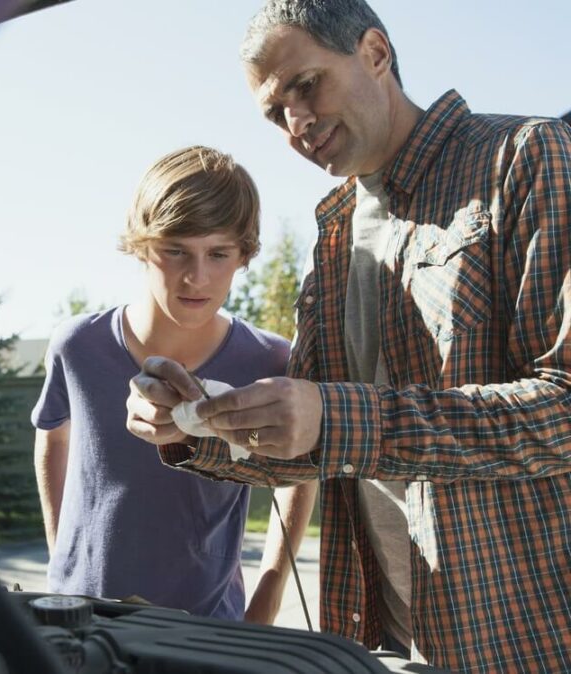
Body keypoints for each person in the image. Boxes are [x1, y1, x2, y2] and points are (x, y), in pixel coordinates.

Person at [125, 1, 571, 671]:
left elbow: (563, 411)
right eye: (276, 114)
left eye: (306, 85)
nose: (297, 121)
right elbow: (315, 448)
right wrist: (196, 425)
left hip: (518, 639)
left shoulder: (528, 158)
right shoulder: (335, 233)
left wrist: (338, 416)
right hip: (379, 638)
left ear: (375, 53)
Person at [32, 145, 317, 622]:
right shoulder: (77, 344)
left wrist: (266, 598)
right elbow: (51, 437)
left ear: (243, 256)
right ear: (142, 246)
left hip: (209, 623)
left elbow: (298, 475)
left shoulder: (271, 360)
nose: (196, 276)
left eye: (218, 253)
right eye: (175, 250)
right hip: (81, 614)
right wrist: (60, 555)